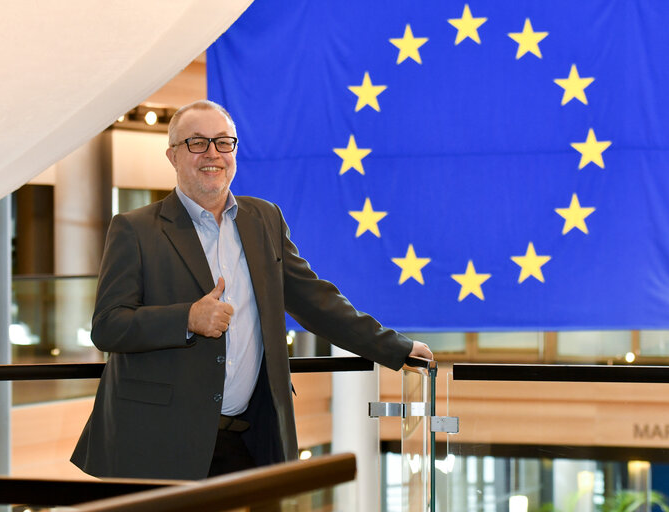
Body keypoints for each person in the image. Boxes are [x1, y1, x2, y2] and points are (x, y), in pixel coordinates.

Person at [71, 99, 433, 480]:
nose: (213, 154)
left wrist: (394, 347)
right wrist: (188, 319)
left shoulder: (265, 219)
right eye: (197, 143)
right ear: (173, 156)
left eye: (223, 142)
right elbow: (108, 326)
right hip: (161, 443)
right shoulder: (135, 229)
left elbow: (315, 301)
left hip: (249, 440)